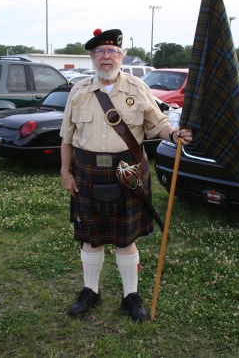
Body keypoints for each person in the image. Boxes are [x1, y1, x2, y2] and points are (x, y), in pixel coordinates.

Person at [60, 28, 192, 322]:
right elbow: (66, 137)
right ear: (92, 57)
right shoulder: (78, 91)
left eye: (112, 51)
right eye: (100, 52)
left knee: (125, 239)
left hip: (128, 173)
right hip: (87, 172)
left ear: (121, 56)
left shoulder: (137, 88)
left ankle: (130, 296)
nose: (106, 57)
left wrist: (173, 134)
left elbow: (158, 124)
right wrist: (65, 171)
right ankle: (90, 291)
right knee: (91, 239)